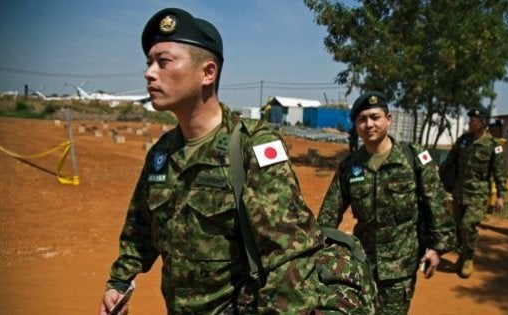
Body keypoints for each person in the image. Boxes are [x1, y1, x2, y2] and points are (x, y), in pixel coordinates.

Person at [99, 8, 376, 314]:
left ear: (208, 73)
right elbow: (140, 229)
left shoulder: (251, 146)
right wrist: (120, 282)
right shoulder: (162, 155)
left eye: (163, 62)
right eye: (149, 62)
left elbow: (289, 258)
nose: (149, 73)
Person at [318, 92, 455, 314]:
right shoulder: (350, 166)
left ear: (388, 119)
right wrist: (320, 250)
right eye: (361, 119)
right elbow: (329, 213)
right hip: (362, 263)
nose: (368, 124)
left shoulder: (413, 158)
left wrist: (437, 249)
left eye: (375, 117)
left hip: (401, 265)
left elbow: (436, 203)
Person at [439, 108, 507, 279]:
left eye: (473, 121)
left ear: (483, 122)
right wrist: (440, 181)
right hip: (460, 192)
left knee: (468, 225)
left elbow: (499, 172)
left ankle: (468, 258)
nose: (469, 123)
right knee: (458, 227)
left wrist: (501, 196)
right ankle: (462, 256)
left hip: (478, 194)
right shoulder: (464, 140)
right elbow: (449, 162)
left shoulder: (494, 146)